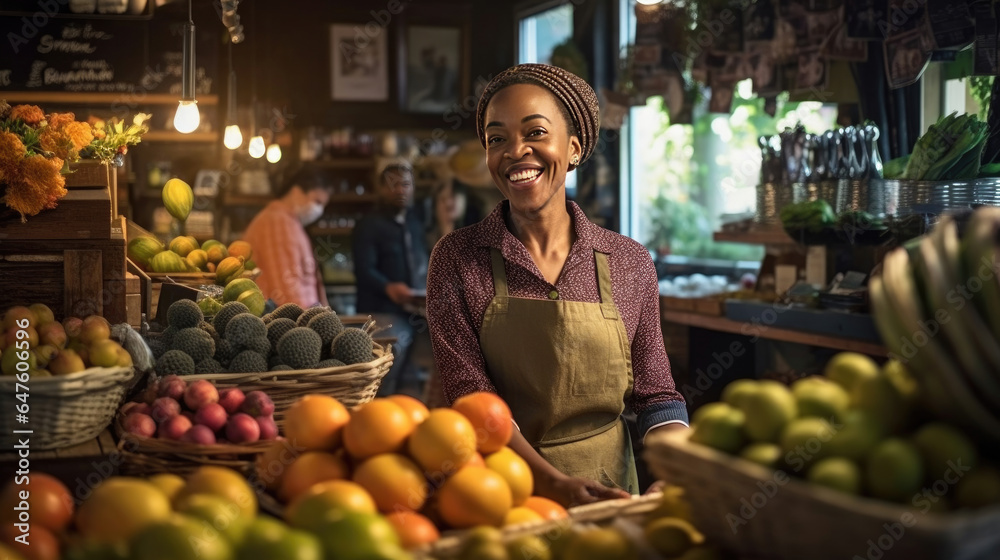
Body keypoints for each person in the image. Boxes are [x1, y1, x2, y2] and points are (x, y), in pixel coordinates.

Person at [425, 64, 690, 508]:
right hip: (501, 493)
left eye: (535, 132)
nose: (515, 151)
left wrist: (676, 470)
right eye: (497, 139)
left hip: (612, 494)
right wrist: (552, 484)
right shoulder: (456, 259)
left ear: (573, 148)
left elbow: (657, 395)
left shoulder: (629, 262)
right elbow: (473, 399)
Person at [352, 161, 429, 396]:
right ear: (380, 189)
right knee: (387, 370)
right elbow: (363, 270)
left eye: (405, 184)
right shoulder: (368, 225)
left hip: (415, 311)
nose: (400, 190)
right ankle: (378, 416)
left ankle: (408, 417)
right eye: (392, 185)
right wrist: (388, 287)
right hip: (380, 312)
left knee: (415, 373)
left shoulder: (416, 222)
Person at [242, 166, 331, 308]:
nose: (319, 210)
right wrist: (303, 326)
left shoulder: (285, 221)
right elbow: (286, 287)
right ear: (296, 192)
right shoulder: (278, 222)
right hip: (286, 322)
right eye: (317, 202)